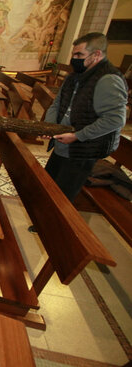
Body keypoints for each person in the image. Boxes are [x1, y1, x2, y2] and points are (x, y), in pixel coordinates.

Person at [29, 32, 128, 232]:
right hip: (62, 145)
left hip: (82, 150)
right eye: (74, 55)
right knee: (50, 187)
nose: (74, 59)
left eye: (79, 55)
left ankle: (55, 232)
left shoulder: (108, 79)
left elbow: (115, 119)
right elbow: (57, 104)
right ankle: (43, 223)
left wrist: (78, 136)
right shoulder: (76, 76)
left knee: (64, 194)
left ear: (96, 55)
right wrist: (49, 127)